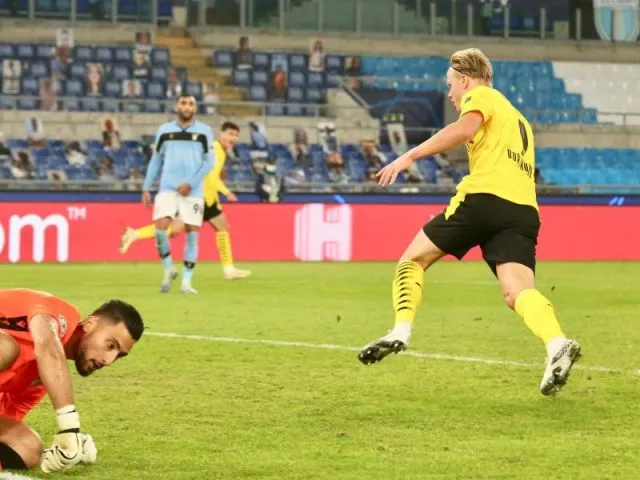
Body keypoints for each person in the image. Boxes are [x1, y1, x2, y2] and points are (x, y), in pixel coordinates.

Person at [358, 48, 581, 396]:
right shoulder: (517, 118)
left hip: (484, 199)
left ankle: (400, 330)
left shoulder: (481, 96)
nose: (450, 93)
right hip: (523, 210)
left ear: (465, 80)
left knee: (411, 260)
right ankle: (557, 343)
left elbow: (464, 129)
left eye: (450, 85)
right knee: (518, 292)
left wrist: (408, 156)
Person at [0, 288, 144, 473]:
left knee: (27, 447)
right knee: (5, 348)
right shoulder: (57, 312)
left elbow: (7, 417)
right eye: (110, 345)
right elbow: (47, 343)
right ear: (90, 324)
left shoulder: (43, 378)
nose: (108, 361)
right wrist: (69, 426)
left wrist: (63, 451)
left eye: (118, 355)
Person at [120, 122, 250, 281]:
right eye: (230, 134)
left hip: (208, 199)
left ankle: (229, 269)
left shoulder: (221, 152)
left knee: (222, 227)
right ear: (221, 134)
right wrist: (226, 192)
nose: (233, 138)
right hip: (199, 198)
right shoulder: (215, 149)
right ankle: (134, 234)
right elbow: (209, 177)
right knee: (175, 228)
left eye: (236, 135)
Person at [141, 94, 214, 294]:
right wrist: (146, 186)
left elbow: (209, 162)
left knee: (192, 235)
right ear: (177, 106)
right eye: (183, 103)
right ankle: (169, 269)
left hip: (193, 190)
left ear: (195, 108)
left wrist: (190, 184)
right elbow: (156, 159)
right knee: (160, 229)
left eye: (191, 104)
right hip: (168, 187)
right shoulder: (165, 130)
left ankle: (186, 283)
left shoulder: (205, 131)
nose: (187, 107)